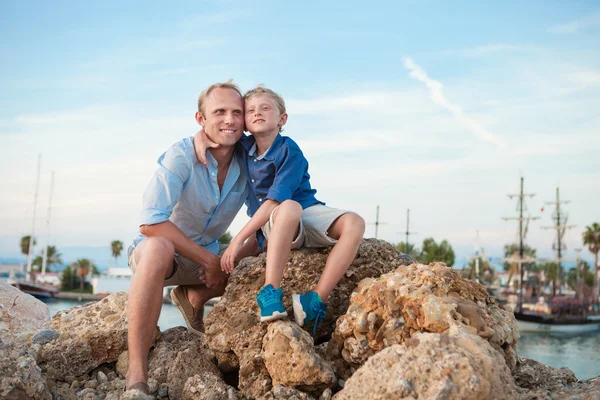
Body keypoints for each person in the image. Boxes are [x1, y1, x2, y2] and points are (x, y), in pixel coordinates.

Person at [195, 86, 365, 335]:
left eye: (266, 108)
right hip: (275, 221)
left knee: (355, 222)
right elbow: (214, 132)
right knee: (288, 208)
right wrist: (200, 138)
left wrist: (237, 241)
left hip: (304, 212)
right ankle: (270, 293)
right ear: (244, 122)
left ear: (282, 119)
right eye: (250, 110)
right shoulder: (242, 147)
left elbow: (276, 201)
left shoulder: (289, 151)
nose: (257, 113)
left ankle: (314, 300)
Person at [125, 81, 257, 393]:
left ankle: (193, 297)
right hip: (161, 257)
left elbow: (276, 148)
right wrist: (209, 259)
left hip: (206, 258)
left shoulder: (249, 160)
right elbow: (150, 222)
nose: (229, 120)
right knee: (158, 247)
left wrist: (225, 254)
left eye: (236, 112)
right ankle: (136, 372)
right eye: (219, 112)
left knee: (265, 246)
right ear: (201, 119)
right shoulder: (181, 155)